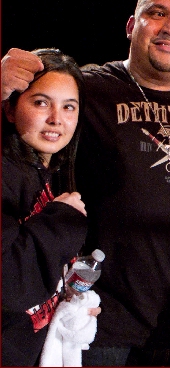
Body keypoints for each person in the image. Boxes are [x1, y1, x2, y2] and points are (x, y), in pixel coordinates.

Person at [1, 0, 170, 366]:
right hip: (94, 327)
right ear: (132, 25)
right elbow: (23, 126)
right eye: (158, 13)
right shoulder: (86, 88)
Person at [1, 48, 94, 366]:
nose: (56, 119)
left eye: (69, 107)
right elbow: (10, 286)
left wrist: (74, 302)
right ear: (10, 109)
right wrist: (61, 220)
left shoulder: (54, 176)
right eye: (41, 102)